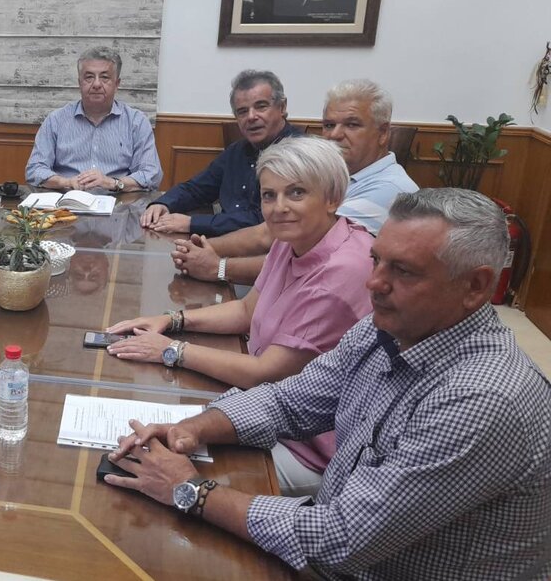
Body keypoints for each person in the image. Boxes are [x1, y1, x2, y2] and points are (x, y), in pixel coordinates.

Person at [106, 188, 551, 579]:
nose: (373, 282)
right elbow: (290, 401)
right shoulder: (388, 327)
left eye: (403, 271)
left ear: (475, 286)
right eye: (376, 260)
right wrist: (193, 428)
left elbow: (341, 537)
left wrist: (190, 491)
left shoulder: (482, 398)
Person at [109, 136, 373, 496]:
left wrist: (172, 350)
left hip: (307, 447)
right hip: (261, 406)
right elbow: (247, 310)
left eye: (296, 193)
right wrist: (173, 321)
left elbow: (265, 372)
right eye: (269, 195)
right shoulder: (294, 238)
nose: (279, 207)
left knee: (154, 471)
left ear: (333, 198)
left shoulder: (342, 270)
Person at [172, 79, 418, 285]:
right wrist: (199, 249)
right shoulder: (333, 174)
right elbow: (269, 233)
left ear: (383, 133)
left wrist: (217, 266)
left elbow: (302, 258)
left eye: (352, 125)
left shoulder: (388, 189)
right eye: (329, 125)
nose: (335, 135)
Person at [142, 70, 302, 236]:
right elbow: (197, 189)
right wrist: (163, 204)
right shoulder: (236, 151)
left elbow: (264, 221)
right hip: (224, 242)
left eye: (261, 106)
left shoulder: (299, 155)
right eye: (242, 111)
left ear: (282, 107)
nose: (251, 117)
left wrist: (192, 223)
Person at [24, 46, 162, 192]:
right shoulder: (56, 120)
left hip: (118, 200)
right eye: (89, 77)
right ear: (79, 83)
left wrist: (113, 183)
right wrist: (67, 182)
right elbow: (34, 170)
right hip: (67, 200)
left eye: (104, 77)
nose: (96, 84)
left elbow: (152, 174)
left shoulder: (136, 122)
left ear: (117, 84)